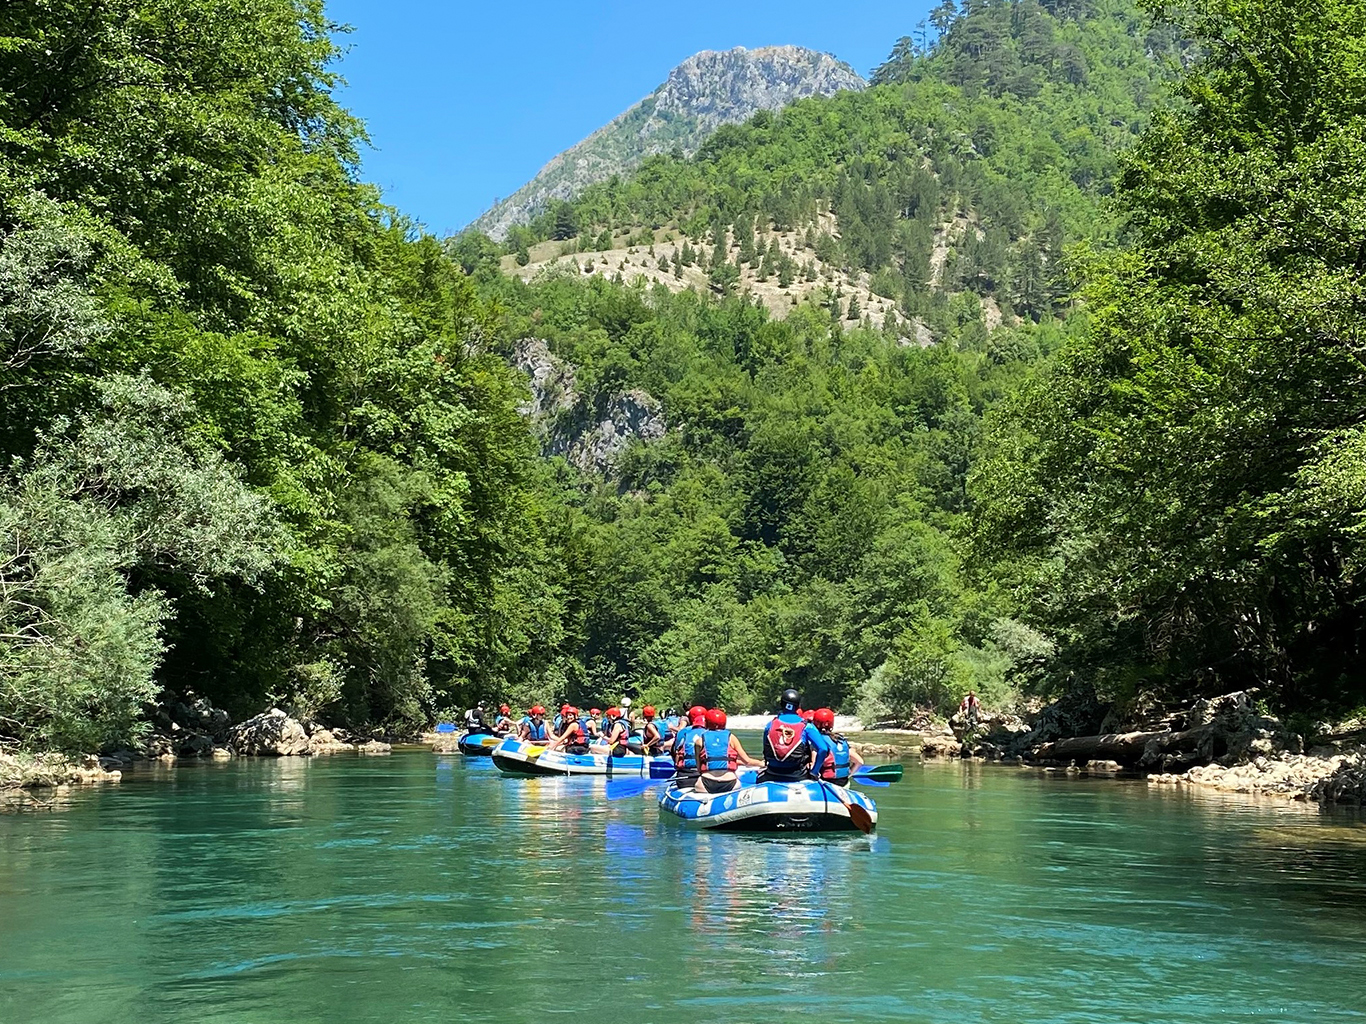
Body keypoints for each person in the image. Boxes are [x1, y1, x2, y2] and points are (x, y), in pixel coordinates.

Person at [761, 688, 832, 781]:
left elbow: (765, 749)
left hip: (772, 773)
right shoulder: (807, 727)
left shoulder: (770, 725)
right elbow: (823, 749)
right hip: (797, 775)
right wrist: (814, 772)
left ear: (781, 704)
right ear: (798, 706)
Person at [694, 708, 761, 793]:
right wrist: (761, 763)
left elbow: (699, 768)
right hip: (730, 782)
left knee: (698, 785)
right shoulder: (731, 738)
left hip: (706, 782)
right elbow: (747, 761)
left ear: (706, 723)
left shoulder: (699, 740)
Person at [812, 707, 863, 785]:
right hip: (844, 783)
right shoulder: (840, 739)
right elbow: (859, 762)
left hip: (826, 783)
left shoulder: (818, 740)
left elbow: (813, 764)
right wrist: (849, 775)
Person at [671, 705, 708, 786]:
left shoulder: (682, 732)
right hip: (707, 777)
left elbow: (674, 752)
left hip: (684, 777)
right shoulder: (711, 733)